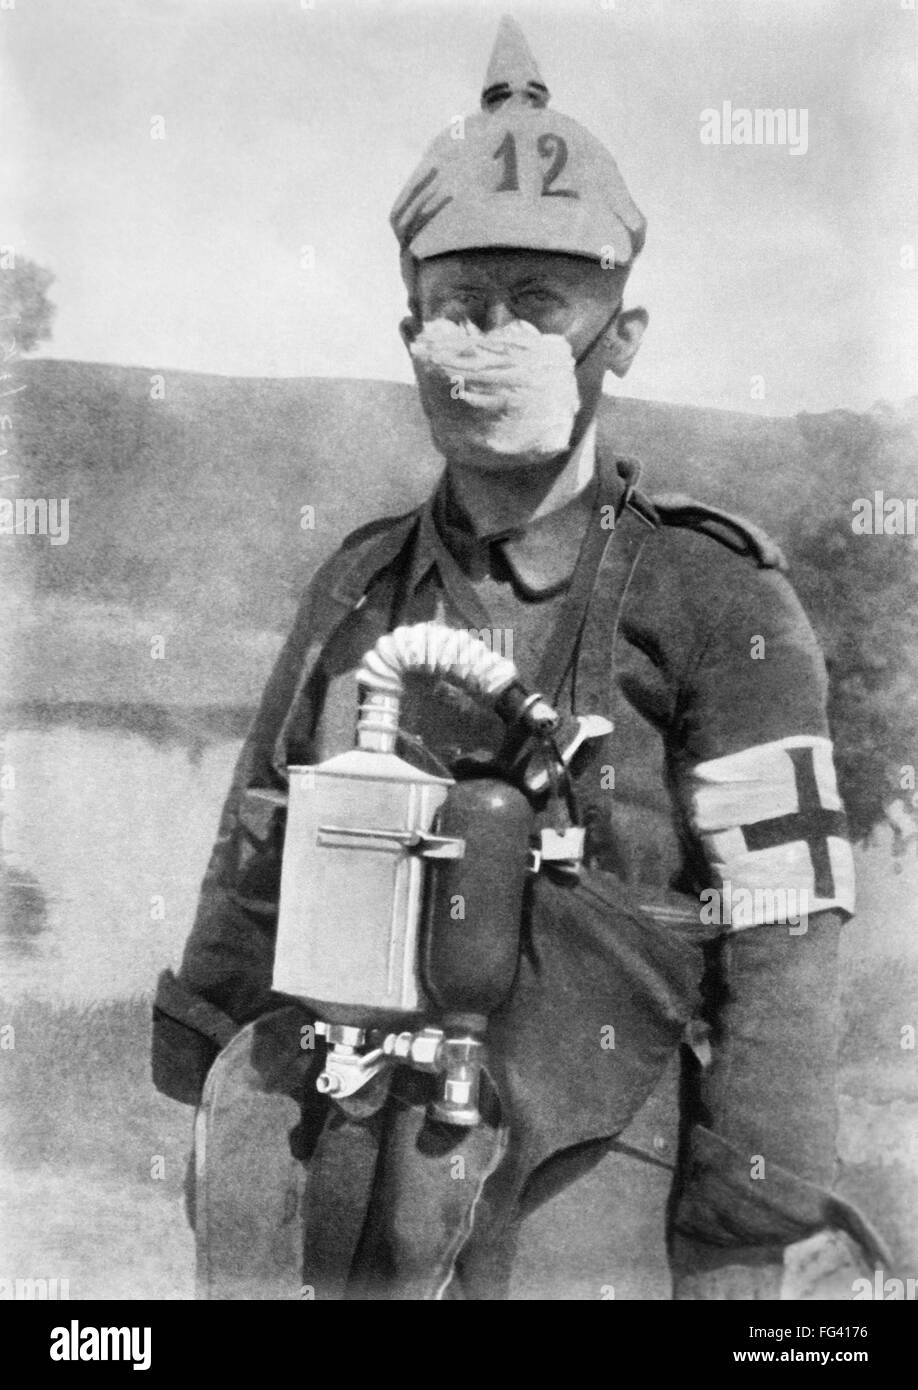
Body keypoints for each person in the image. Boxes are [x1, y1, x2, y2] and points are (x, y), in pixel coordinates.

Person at [152, 17, 870, 1300]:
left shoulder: (713, 596)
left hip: (596, 1181)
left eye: (536, 307)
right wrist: (206, 1065)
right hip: (353, 1160)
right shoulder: (359, 583)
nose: (484, 346)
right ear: (407, 331)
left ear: (623, 338)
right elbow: (257, 845)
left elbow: (783, 950)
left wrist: (748, 1238)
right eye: (455, 309)